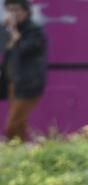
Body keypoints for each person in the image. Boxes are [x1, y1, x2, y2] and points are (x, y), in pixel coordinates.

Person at [0, 0, 47, 141]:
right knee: (19, 125)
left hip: (29, 85)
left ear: (26, 11)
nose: (13, 14)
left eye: (16, 10)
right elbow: (3, 46)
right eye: (9, 10)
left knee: (11, 126)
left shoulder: (35, 31)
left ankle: (15, 152)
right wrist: (5, 28)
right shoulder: (10, 29)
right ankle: (24, 154)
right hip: (12, 84)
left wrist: (13, 31)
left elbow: (24, 49)